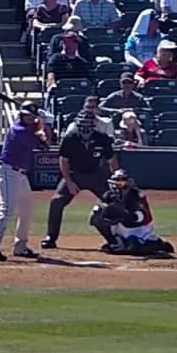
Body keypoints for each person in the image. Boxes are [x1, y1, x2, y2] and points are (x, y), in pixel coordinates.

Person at [41, 97, 117, 250]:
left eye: (89, 127)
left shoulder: (103, 139)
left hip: (96, 174)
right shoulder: (70, 138)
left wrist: (115, 181)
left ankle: (114, 239)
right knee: (56, 201)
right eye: (83, 127)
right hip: (75, 174)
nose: (86, 131)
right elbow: (64, 161)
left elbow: (112, 160)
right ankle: (51, 236)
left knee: (114, 203)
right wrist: (68, 181)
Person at [0, 102, 47, 261]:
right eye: (27, 116)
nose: (30, 119)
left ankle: (20, 246)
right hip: (7, 171)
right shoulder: (18, 130)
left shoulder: (30, 129)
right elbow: (36, 139)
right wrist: (42, 125)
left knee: (27, 210)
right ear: (21, 115)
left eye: (32, 116)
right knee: (7, 209)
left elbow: (45, 144)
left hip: (20, 174)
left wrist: (43, 125)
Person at [89, 169, 174, 256]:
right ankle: (115, 243)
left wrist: (126, 215)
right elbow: (104, 211)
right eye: (117, 183)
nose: (119, 186)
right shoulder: (109, 196)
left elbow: (143, 217)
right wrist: (109, 216)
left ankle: (158, 244)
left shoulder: (135, 195)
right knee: (96, 212)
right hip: (121, 227)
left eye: (122, 183)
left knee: (134, 246)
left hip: (139, 230)